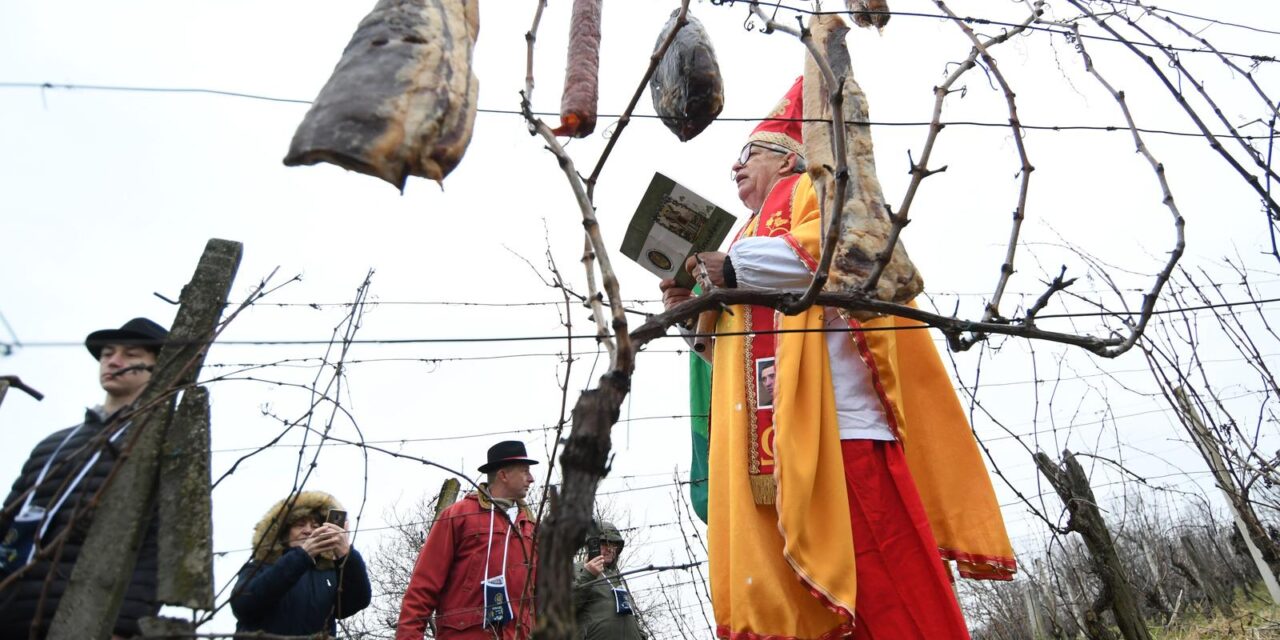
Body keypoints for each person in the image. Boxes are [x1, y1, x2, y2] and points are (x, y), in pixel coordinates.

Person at [661, 78, 1017, 640]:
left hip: (841, 433)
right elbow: (729, 355)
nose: (734, 166)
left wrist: (733, 269)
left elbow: (853, 254)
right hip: (771, 460)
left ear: (788, 159)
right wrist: (691, 313)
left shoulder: (820, 192)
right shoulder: (744, 237)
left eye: (748, 153)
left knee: (896, 605)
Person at [0, 317, 169, 639]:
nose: (113, 361)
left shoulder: (160, 443)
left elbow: (157, 546)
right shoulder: (53, 443)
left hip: (84, 615)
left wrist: (123, 625)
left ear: (158, 368)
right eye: (107, 354)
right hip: (11, 608)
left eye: (131, 355)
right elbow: (9, 520)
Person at [397, 441, 538, 640]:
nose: (531, 479)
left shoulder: (531, 527)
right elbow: (423, 585)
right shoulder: (459, 515)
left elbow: (541, 598)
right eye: (524, 471)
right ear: (503, 475)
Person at [230, 491, 371, 635]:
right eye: (300, 525)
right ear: (284, 533)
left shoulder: (329, 574)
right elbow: (242, 605)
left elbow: (356, 602)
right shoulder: (260, 567)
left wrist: (346, 555)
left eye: (315, 526)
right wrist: (301, 556)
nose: (308, 531)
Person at [573, 520, 644, 640]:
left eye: (614, 545)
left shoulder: (617, 577)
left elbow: (631, 613)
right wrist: (588, 574)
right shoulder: (575, 569)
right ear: (592, 545)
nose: (610, 549)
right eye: (605, 544)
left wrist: (642, 635)